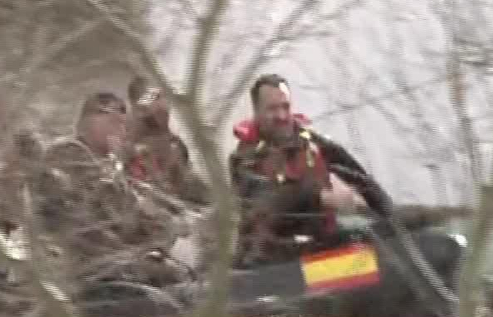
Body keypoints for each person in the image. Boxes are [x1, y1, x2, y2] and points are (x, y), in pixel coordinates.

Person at [228, 73, 393, 265]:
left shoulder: (311, 141)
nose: (281, 116)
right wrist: (319, 197)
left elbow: (359, 177)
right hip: (274, 256)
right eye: (272, 109)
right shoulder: (244, 160)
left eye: (285, 107)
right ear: (256, 111)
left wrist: (380, 208)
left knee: (396, 228)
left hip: (323, 242)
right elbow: (269, 201)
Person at [32, 92, 179, 284]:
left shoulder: (107, 164)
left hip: (109, 259)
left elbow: (136, 212)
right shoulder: (67, 153)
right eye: (113, 122)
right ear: (89, 121)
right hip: (79, 263)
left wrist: (164, 227)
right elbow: (88, 219)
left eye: (123, 125)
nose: (120, 131)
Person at [123, 75, 209, 208]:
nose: (163, 105)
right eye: (154, 98)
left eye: (164, 97)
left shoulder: (174, 142)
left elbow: (188, 183)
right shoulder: (134, 147)